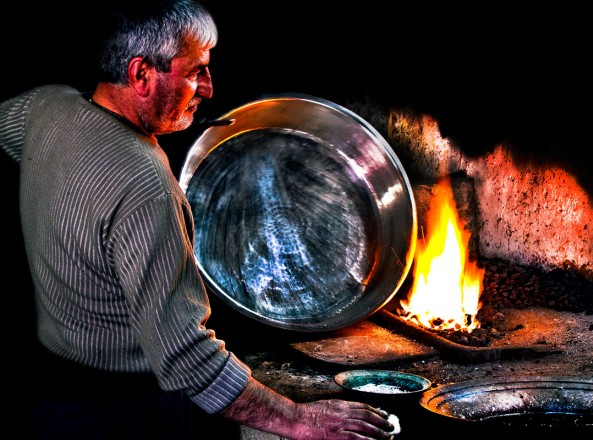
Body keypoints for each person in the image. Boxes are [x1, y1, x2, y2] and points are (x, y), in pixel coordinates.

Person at [0, 1, 397, 438]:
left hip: (52, 397)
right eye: (195, 72)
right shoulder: (143, 184)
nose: (208, 87)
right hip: (123, 415)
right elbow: (185, 355)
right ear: (141, 75)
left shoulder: (46, 108)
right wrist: (296, 418)